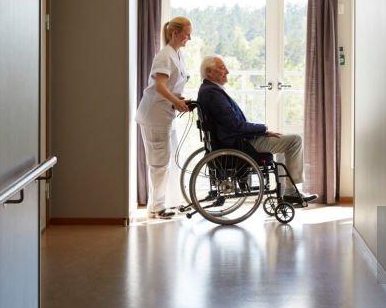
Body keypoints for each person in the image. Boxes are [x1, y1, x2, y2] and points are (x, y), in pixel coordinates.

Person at [197, 55, 317, 207]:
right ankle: (290, 192)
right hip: (241, 144)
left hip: (236, 140)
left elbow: (233, 124)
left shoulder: (208, 90)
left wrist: (262, 132)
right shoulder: (212, 94)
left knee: (284, 144)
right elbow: (236, 125)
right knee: (295, 141)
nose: (227, 71)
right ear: (209, 72)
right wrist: (263, 129)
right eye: (222, 68)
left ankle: (287, 191)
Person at [135, 17, 192, 219]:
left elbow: (171, 86)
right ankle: (156, 208)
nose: (190, 37)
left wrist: (180, 99)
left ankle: (170, 201)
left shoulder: (178, 55)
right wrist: (177, 102)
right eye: (187, 33)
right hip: (155, 115)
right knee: (159, 162)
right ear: (175, 33)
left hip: (167, 114)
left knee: (171, 159)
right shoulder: (164, 56)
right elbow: (160, 87)